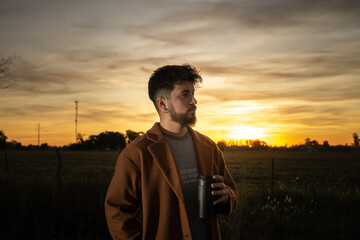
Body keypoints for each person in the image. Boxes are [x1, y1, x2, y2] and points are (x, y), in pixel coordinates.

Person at [105, 64, 238, 240]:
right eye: (185, 94)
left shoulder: (209, 147)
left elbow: (232, 191)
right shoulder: (137, 154)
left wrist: (226, 196)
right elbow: (117, 209)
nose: (194, 101)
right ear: (162, 103)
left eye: (193, 94)